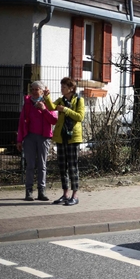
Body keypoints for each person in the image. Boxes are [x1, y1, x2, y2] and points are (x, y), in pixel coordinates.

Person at [45, 77, 85, 206]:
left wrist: (66, 110)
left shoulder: (79, 100)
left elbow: (80, 117)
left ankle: (75, 196)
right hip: (61, 137)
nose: (61, 89)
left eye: (63, 87)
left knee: (73, 167)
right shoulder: (61, 100)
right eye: (61, 86)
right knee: (62, 167)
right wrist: (47, 97)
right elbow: (51, 107)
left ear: (71, 88)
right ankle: (65, 194)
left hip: (73, 137)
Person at [17, 80, 58, 201]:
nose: (34, 92)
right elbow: (21, 123)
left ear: (42, 90)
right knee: (30, 165)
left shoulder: (47, 103)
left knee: (42, 165)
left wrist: (44, 109)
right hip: (29, 137)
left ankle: (42, 191)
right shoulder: (27, 103)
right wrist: (19, 139)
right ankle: (29, 192)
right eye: (33, 89)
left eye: (37, 89)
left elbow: (54, 120)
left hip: (43, 137)